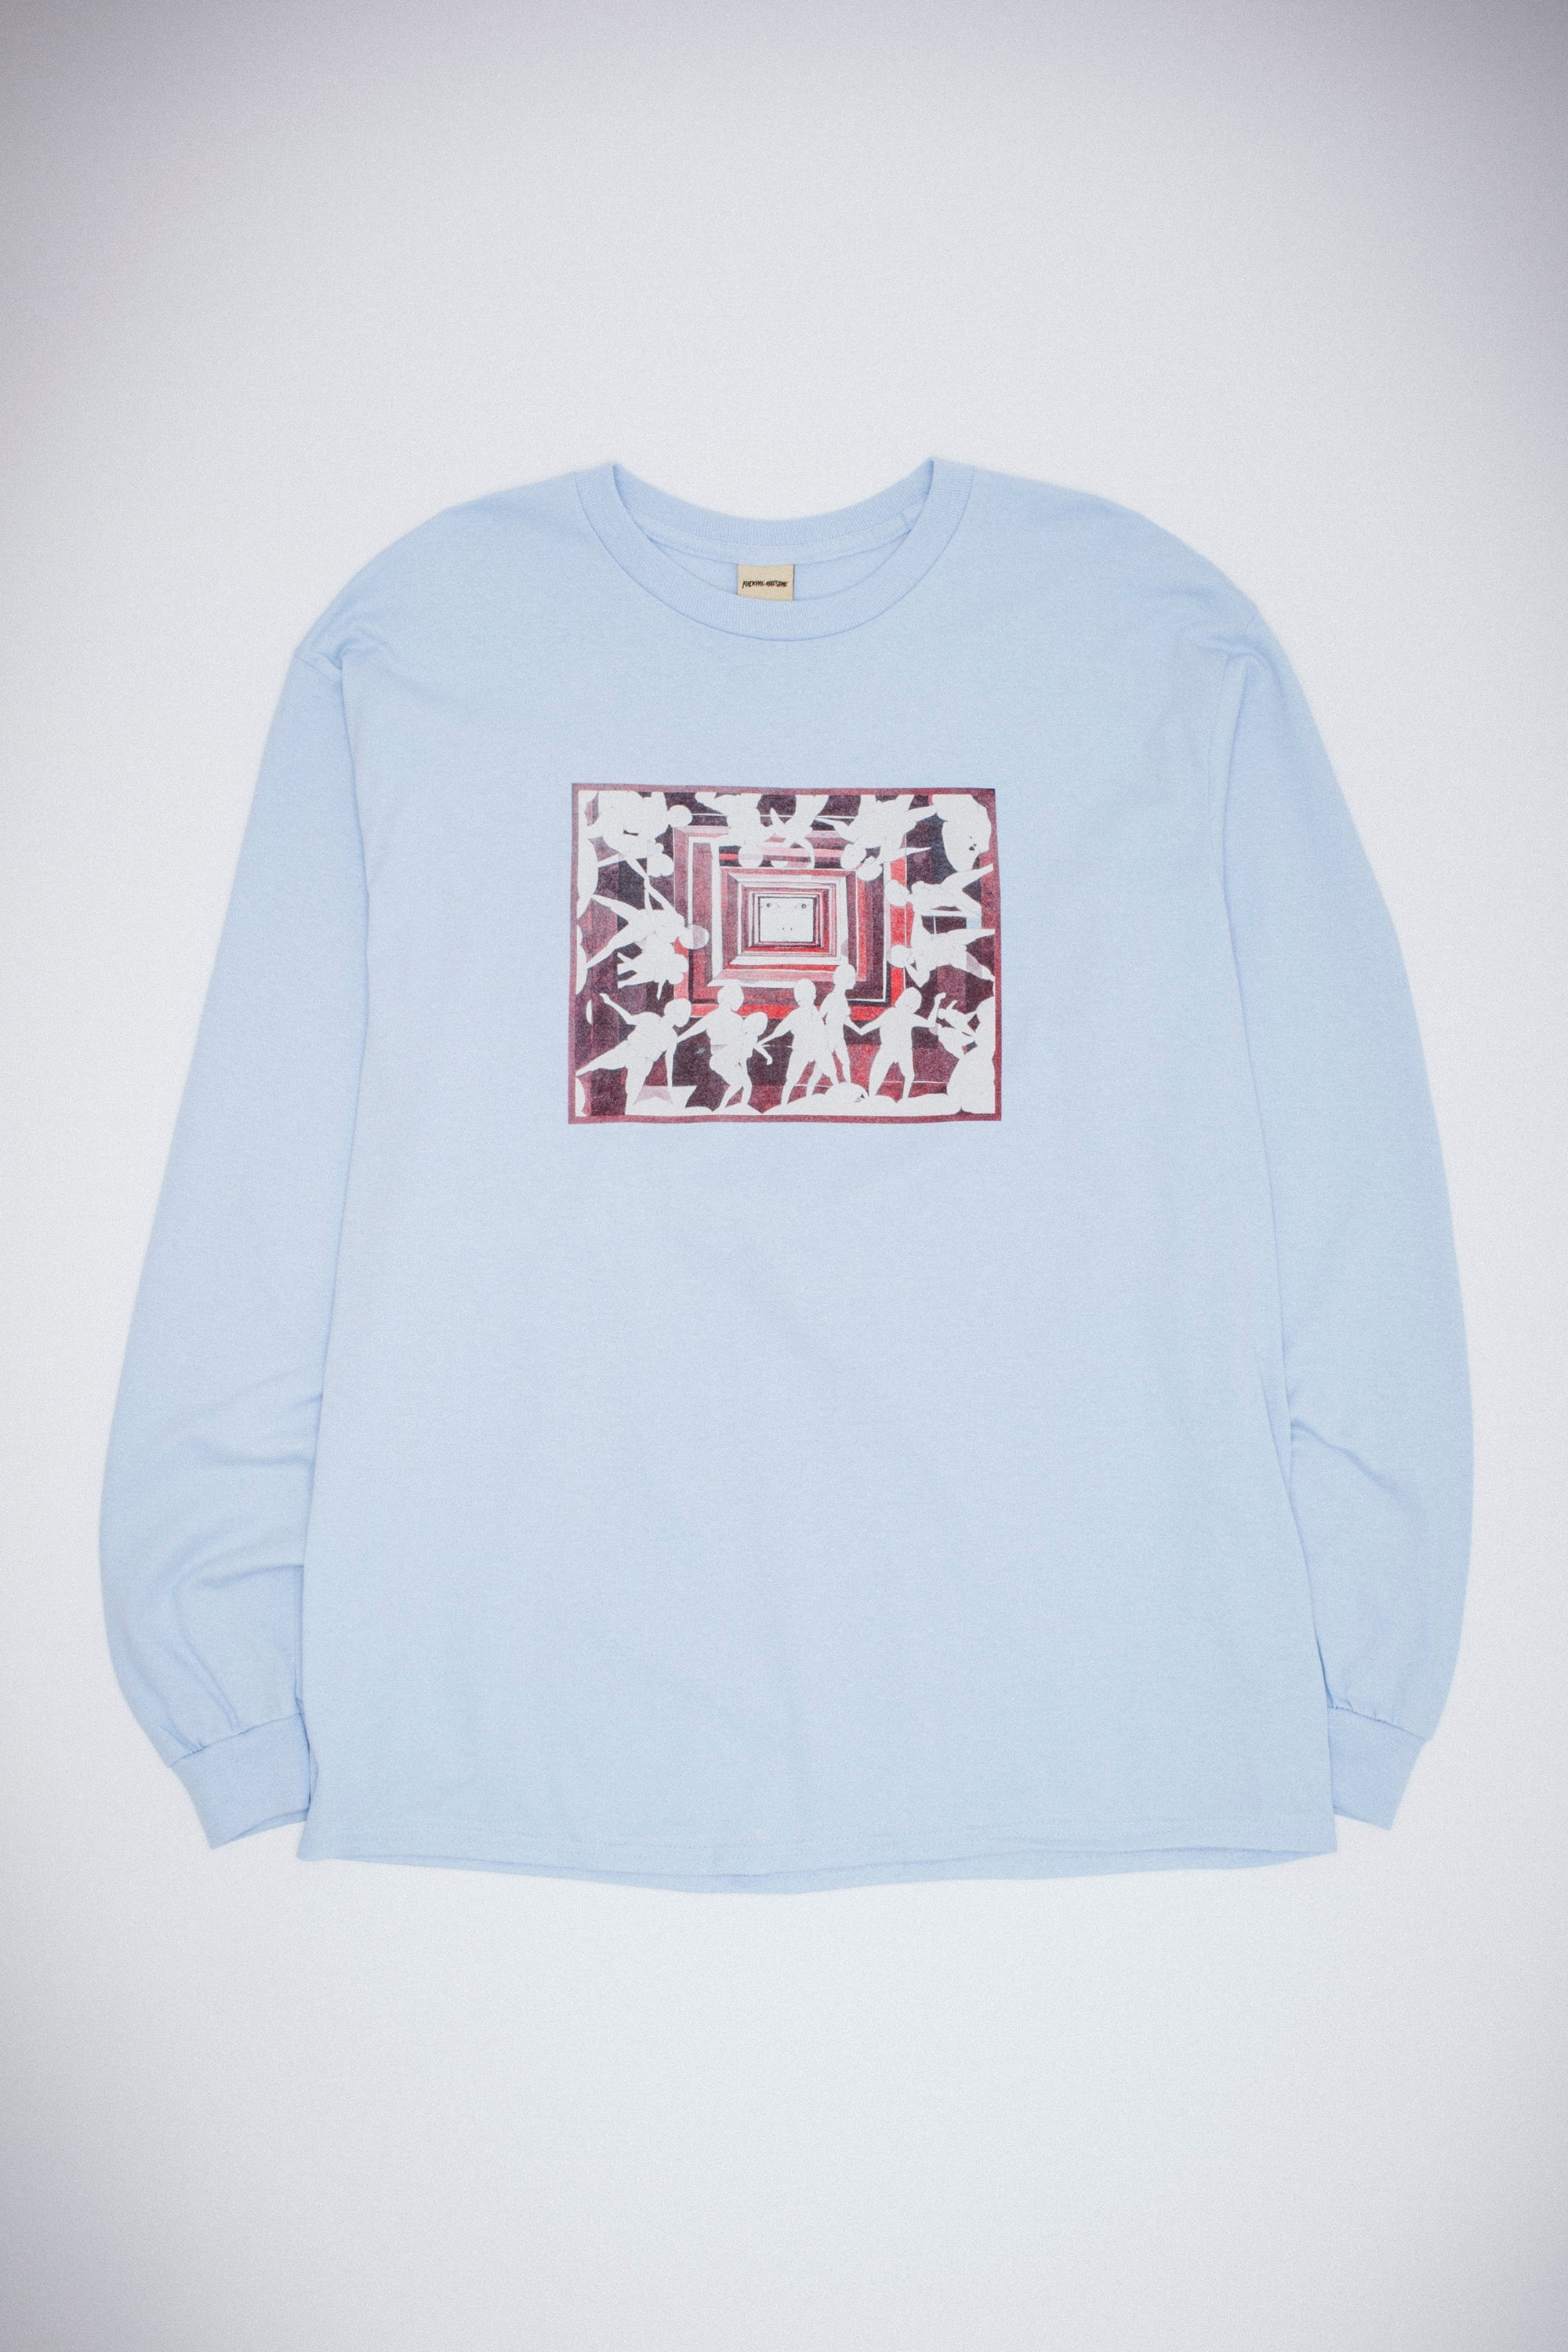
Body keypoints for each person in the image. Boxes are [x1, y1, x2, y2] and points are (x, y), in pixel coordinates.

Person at [575, 996, 693, 1114]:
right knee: (598, 1063)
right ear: (671, 1009)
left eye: (680, 1015)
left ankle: (627, 1115)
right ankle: (576, 1073)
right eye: (676, 1011)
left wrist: (670, 1083)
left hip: (643, 1063)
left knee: (632, 1093)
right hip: (629, 1049)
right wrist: (610, 1002)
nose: (675, 1016)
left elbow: (669, 1059)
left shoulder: (672, 1037)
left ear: (681, 1020)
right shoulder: (650, 1017)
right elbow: (629, 1019)